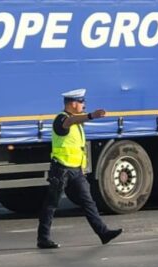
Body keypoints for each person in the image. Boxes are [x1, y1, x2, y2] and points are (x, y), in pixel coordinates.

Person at [36, 88, 123, 249]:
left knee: (88, 202)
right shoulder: (62, 119)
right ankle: (43, 238)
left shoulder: (77, 122)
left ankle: (103, 233)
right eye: (82, 102)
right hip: (61, 169)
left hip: (76, 171)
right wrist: (91, 116)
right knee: (52, 203)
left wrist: (82, 168)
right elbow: (67, 123)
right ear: (73, 103)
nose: (84, 105)